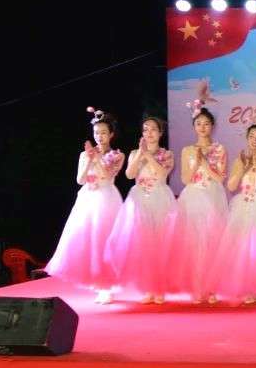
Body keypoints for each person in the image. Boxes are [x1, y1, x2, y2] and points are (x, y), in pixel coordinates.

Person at [46, 107, 125, 303]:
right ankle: (98, 284)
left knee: (104, 241)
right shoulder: (85, 154)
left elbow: (106, 175)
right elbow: (80, 180)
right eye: (96, 132)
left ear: (111, 134)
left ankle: (107, 286)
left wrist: (96, 158)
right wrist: (89, 159)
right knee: (88, 241)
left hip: (106, 199)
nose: (99, 136)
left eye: (103, 132)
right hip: (88, 198)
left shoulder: (117, 155)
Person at [106, 116, 176, 304]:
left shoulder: (167, 154)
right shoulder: (134, 153)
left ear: (160, 133)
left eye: (153, 129)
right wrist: (140, 154)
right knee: (143, 245)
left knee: (160, 244)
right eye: (145, 129)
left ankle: (159, 288)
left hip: (160, 198)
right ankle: (148, 288)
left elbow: (162, 174)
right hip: (139, 199)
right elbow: (129, 174)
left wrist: (148, 156)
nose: (149, 133)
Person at [166, 107, 228, 303]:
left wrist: (205, 164)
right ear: (194, 127)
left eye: (206, 124)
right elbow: (185, 179)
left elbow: (220, 178)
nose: (202, 127)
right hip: (192, 197)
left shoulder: (219, 149)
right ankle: (196, 286)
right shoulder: (187, 150)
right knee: (193, 242)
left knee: (212, 240)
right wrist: (197, 163)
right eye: (199, 124)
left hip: (213, 195)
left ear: (212, 126)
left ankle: (211, 288)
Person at [211, 124, 256, 305]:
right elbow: (231, 186)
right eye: (252, 136)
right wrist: (243, 167)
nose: (255, 140)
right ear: (247, 139)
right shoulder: (239, 160)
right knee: (243, 248)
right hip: (243, 206)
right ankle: (247, 288)